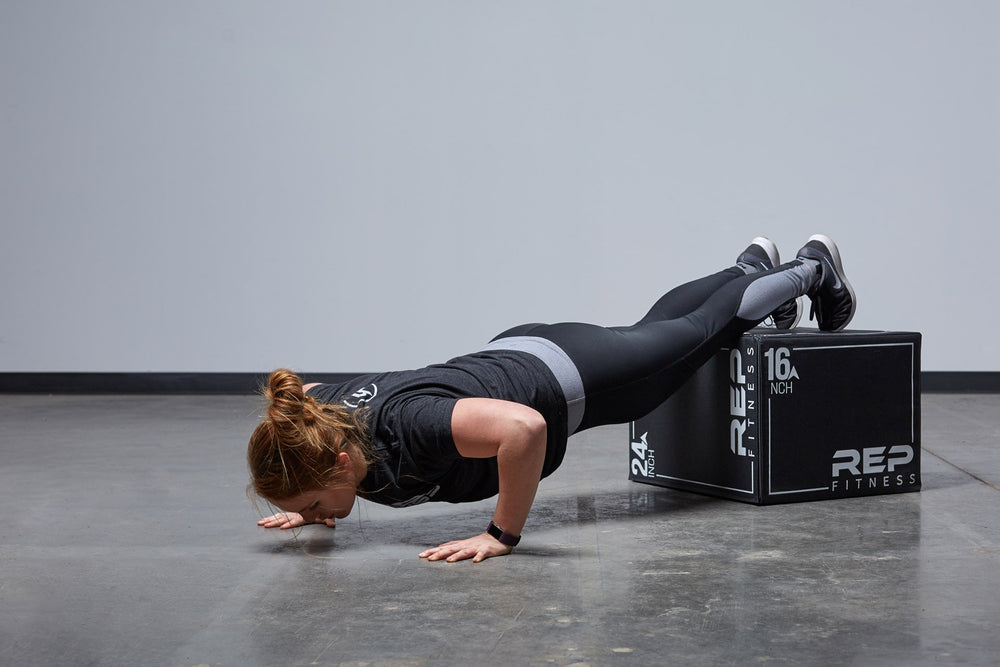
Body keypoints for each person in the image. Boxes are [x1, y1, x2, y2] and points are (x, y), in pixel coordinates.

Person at [248, 234, 856, 562]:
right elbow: (296, 394)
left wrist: (501, 534)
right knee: (650, 332)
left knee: (697, 338)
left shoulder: (411, 426)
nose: (313, 513)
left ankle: (812, 267)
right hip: (519, 351)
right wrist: (312, 503)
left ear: (339, 463)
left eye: (313, 495)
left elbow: (524, 430)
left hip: (568, 379)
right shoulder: (320, 416)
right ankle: (747, 266)